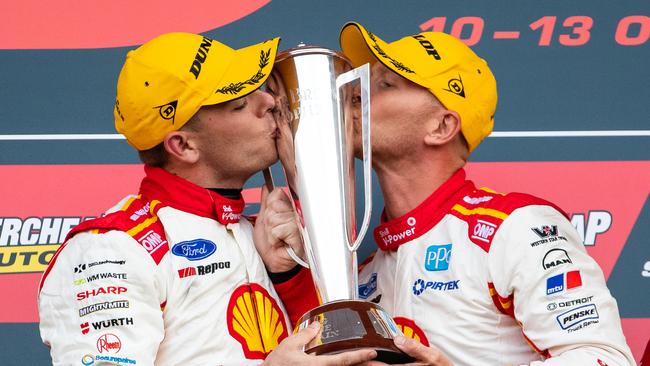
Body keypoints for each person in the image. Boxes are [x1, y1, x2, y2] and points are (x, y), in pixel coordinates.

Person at [259, 23, 636, 365]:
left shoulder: (514, 228)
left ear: (441, 126)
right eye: (362, 83)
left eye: (385, 84)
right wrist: (292, 276)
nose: (356, 95)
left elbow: (604, 358)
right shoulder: (364, 270)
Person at [37, 32, 376, 366]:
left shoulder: (258, 236)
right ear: (183, 146)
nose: (270, 101)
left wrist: (288, 278)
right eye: (240, 104)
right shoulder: (115, 248)